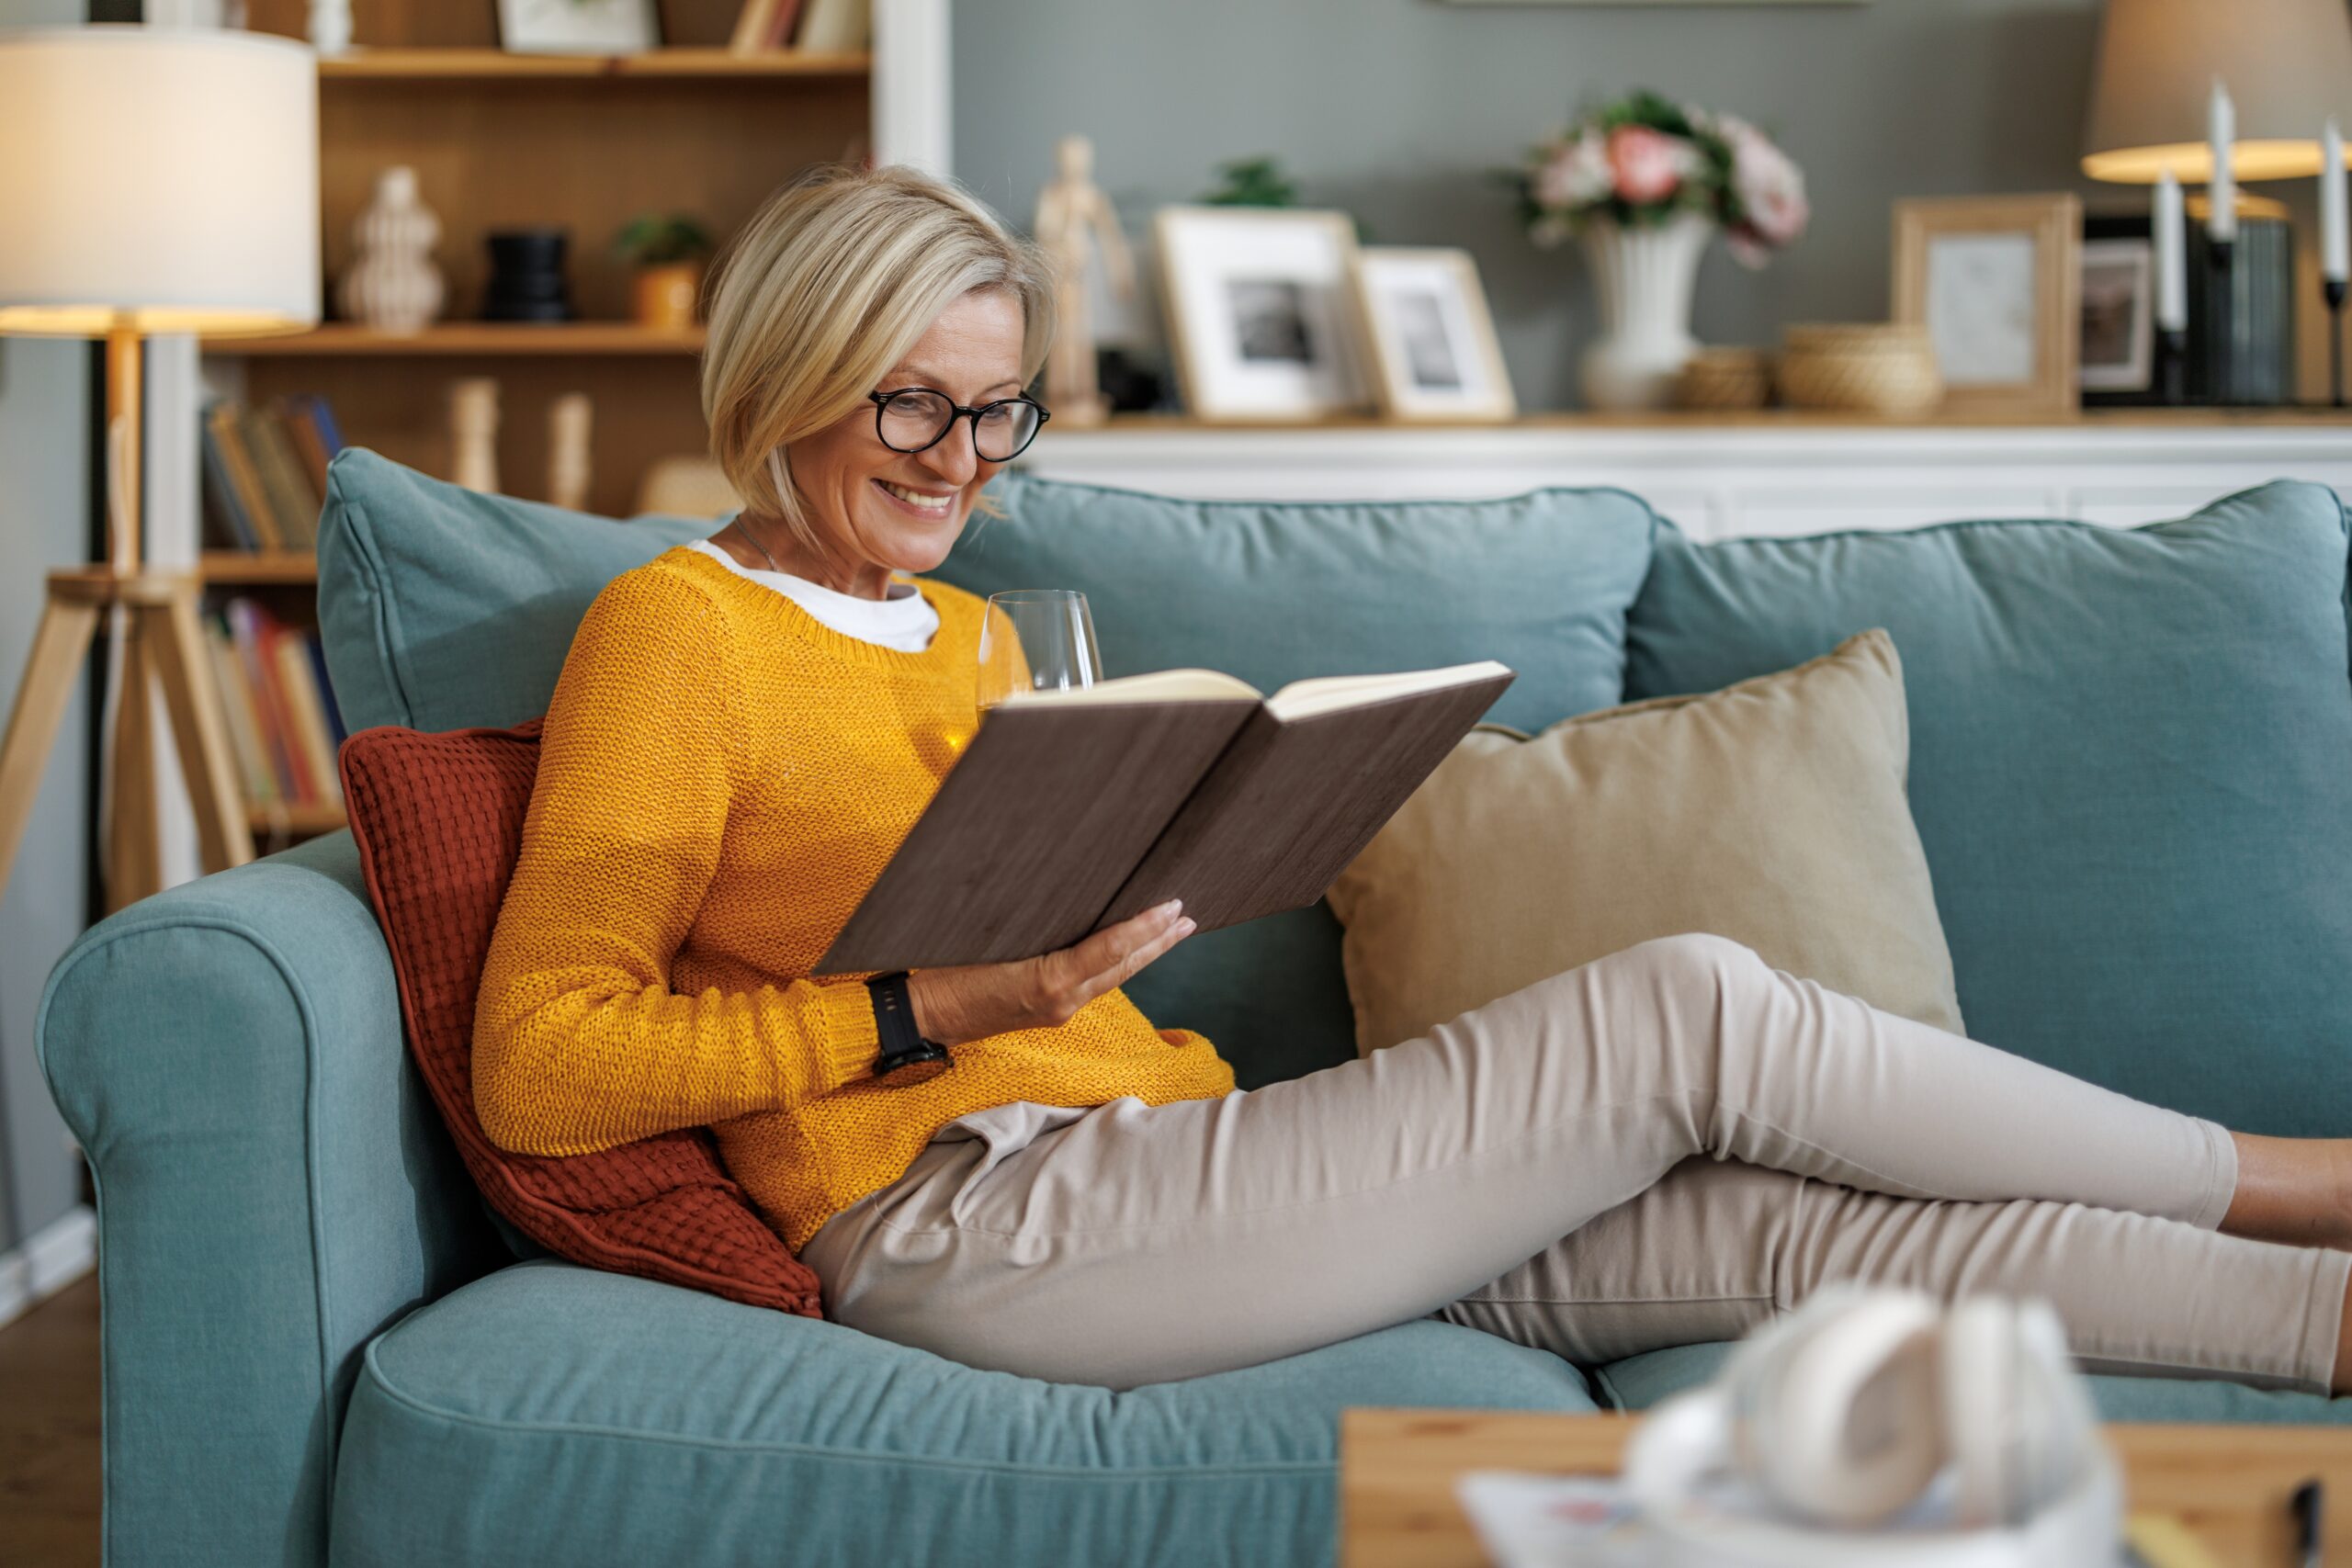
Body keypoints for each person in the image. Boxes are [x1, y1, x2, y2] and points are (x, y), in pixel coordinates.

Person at [472, 164, 2352, 1397]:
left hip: (1160, 1165)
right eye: (912, 403)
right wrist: (915, 1006)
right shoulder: (675, 631)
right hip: (956, 1219)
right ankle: (2285, 1175)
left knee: (1784, 1224)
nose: (959, 459)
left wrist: (1183, 844)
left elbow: (1028, 943)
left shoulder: (971, 629)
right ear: (787, 376)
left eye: (993, 411)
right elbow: (545, 1057)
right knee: (1689, 1006)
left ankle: (2323, 1316)